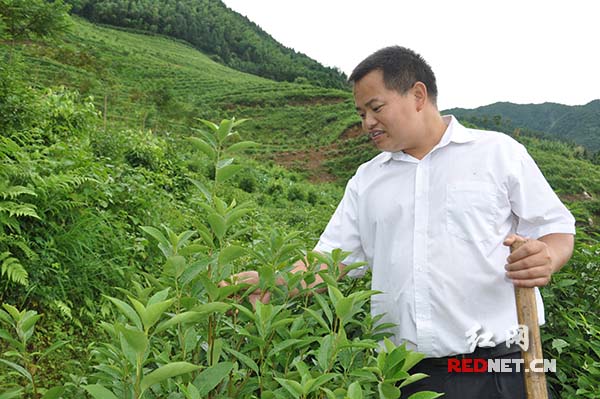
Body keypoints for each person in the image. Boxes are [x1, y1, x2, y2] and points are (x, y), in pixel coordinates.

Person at [232, 46, 575, 398]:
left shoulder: (497, 154)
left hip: (498, 368)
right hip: (405, 377)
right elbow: (329, 263)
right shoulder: (367, 181)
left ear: (417, 95)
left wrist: (546, 255)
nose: (367, 123)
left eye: (376, 108)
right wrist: (273, 283)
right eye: (361, 113)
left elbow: (557, 228)